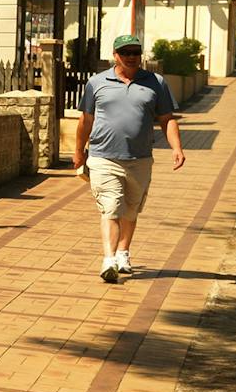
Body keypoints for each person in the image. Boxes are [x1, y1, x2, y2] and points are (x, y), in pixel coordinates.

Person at [75, 33, 184, 282]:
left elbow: (167, 119)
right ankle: (109, 259)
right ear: (115, 55)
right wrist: (79, 150)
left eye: (135, 52)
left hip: (140, 158)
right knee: (111, 207)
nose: (132, 57)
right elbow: (86, 120)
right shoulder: (97, 83)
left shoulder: (156, 82)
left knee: (131, 209)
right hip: (104, 157)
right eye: (126, 53)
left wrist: (177, 148)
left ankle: (123, 252)